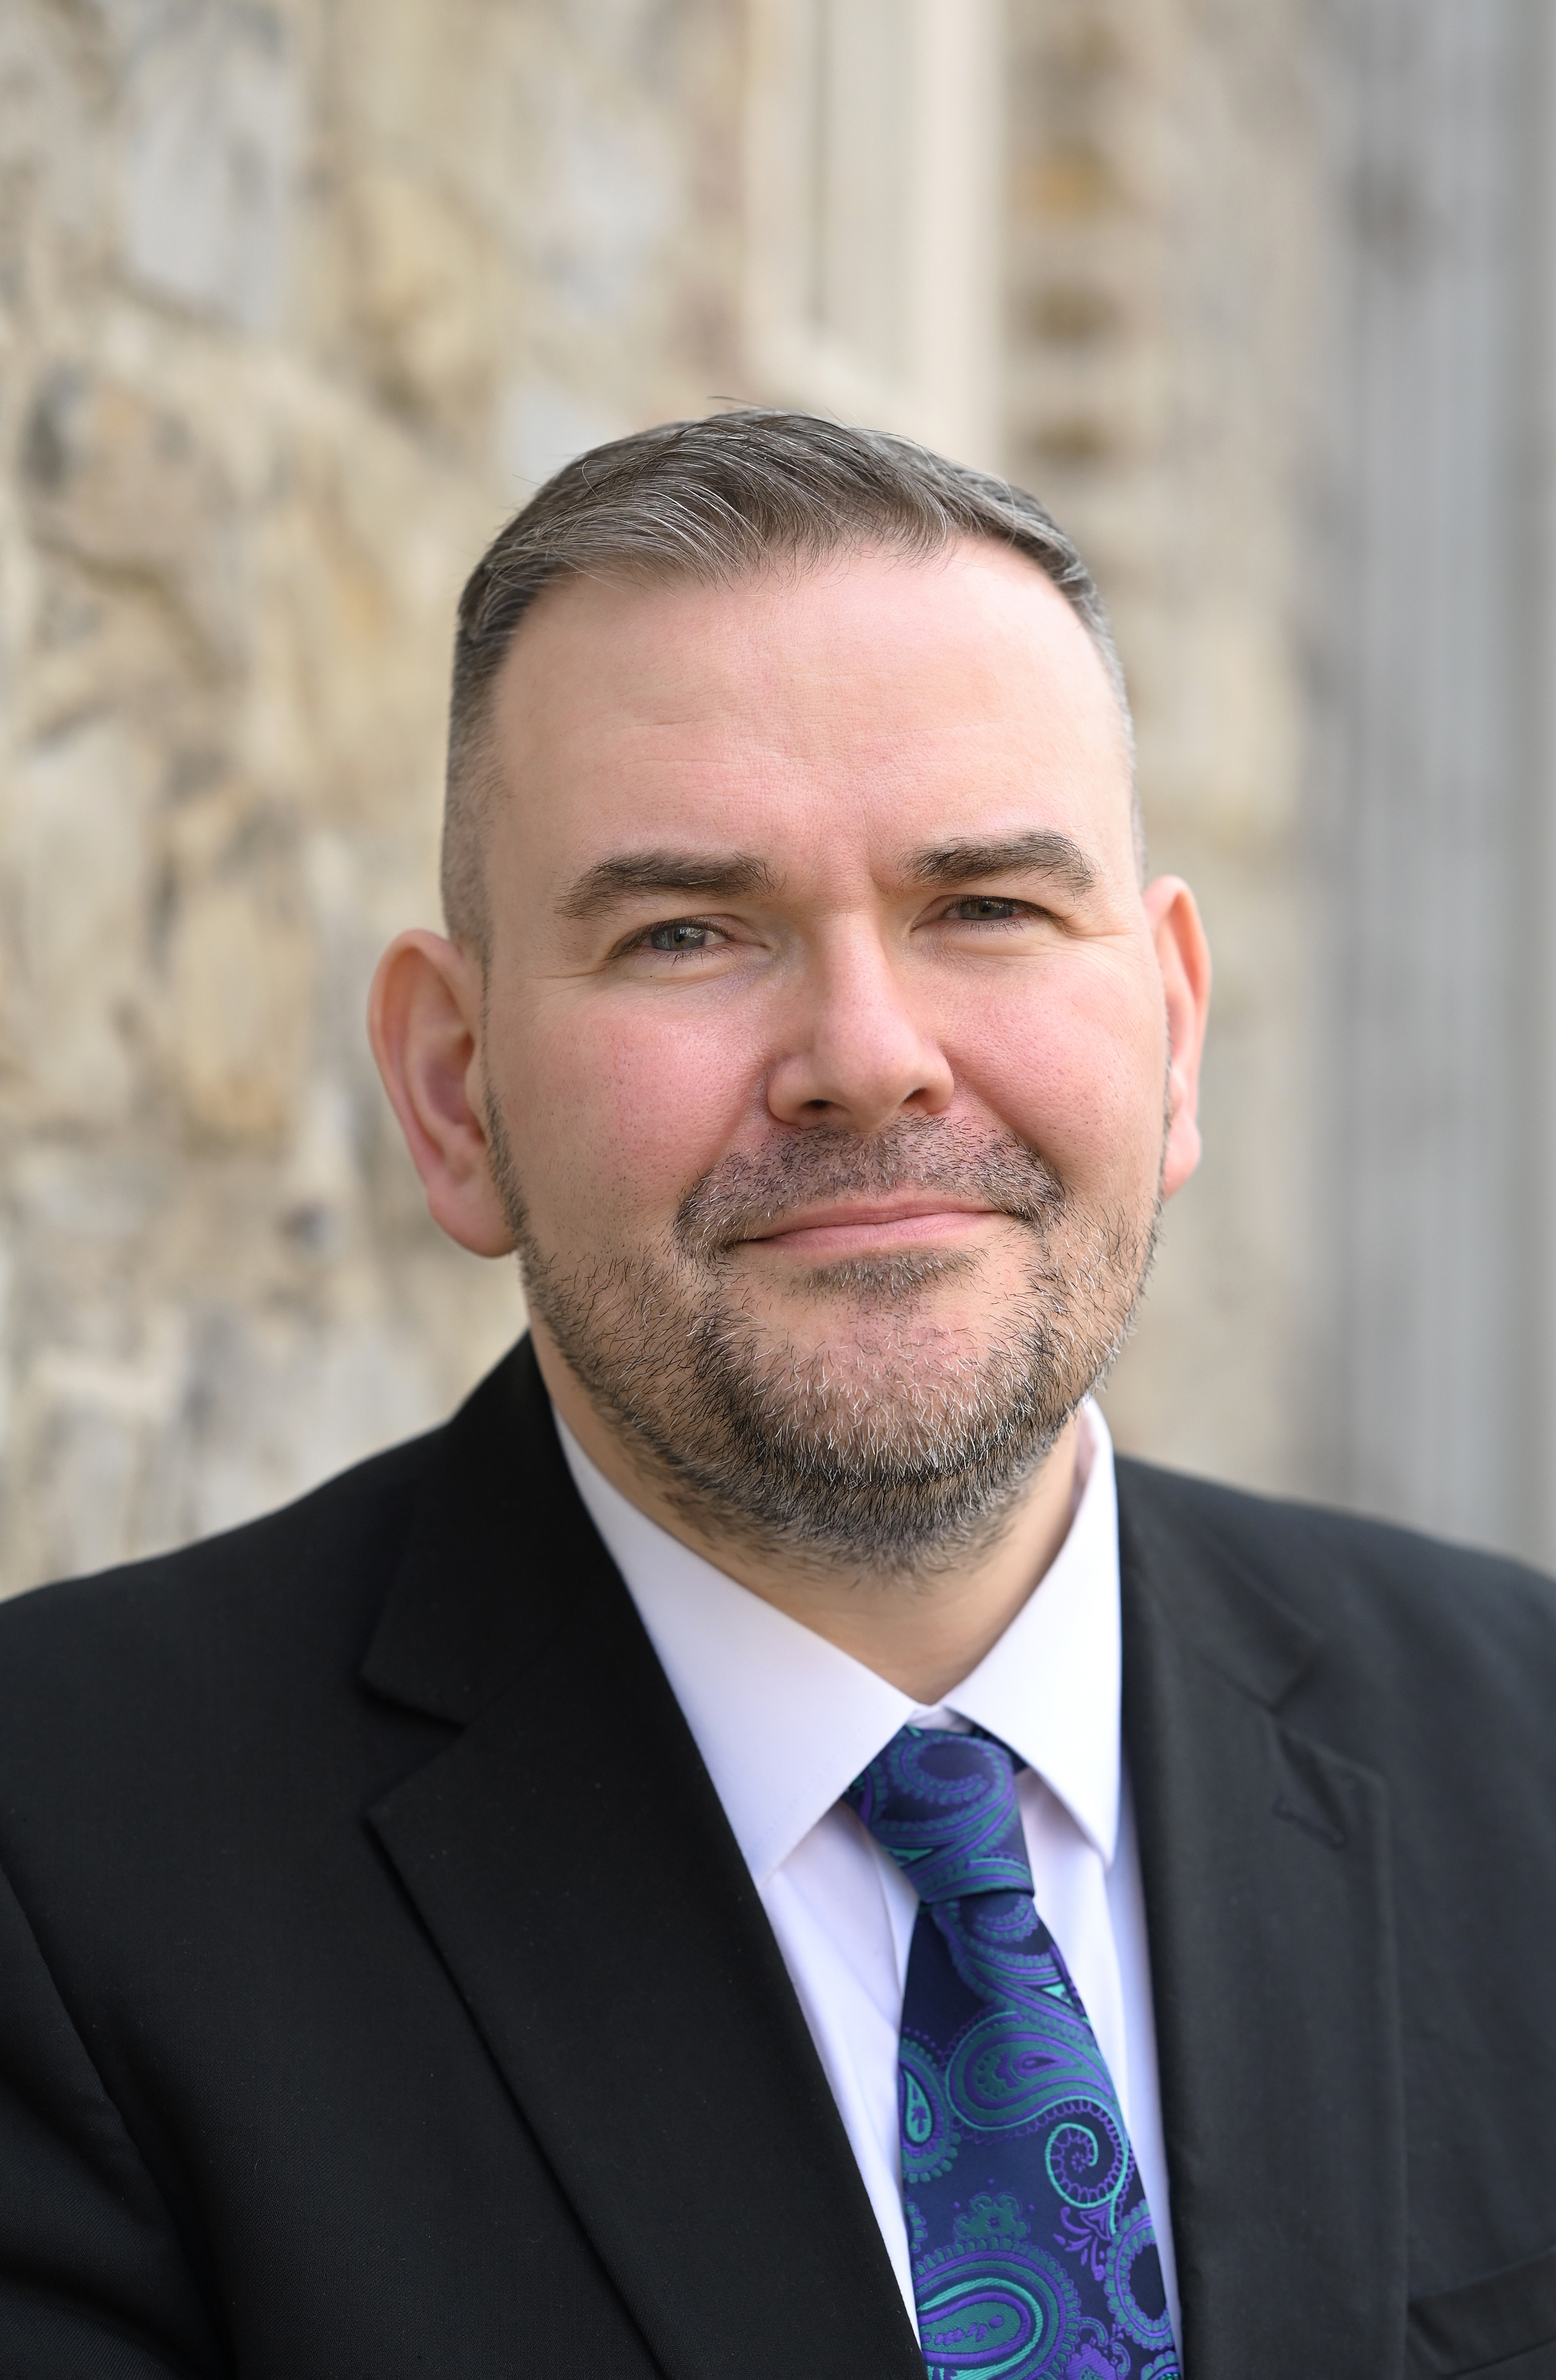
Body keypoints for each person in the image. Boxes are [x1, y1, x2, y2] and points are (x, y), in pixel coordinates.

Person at [0, 413, 1552, 2380]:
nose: (867, 1056)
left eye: (985, 902)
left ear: (1168, 1036)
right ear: (454, 1091)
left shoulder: (1524, 1757)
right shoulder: (61, 1862)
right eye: (686, 933)